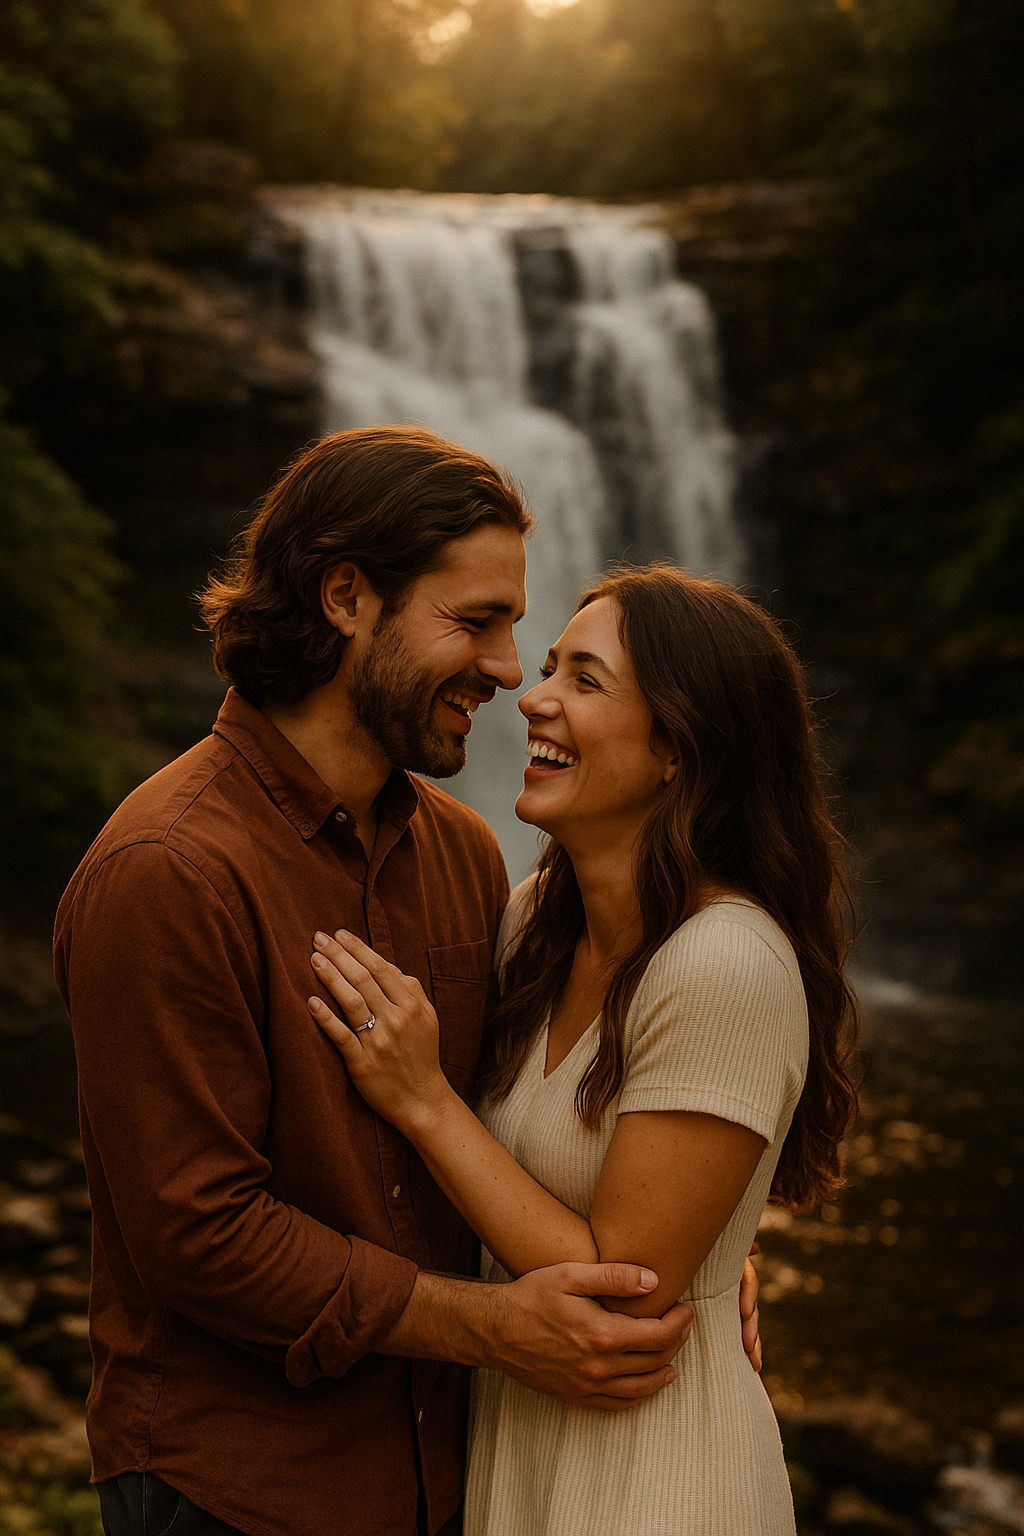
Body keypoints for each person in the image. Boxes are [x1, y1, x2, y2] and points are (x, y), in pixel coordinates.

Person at [54, 429, 760, 1536]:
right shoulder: (170, 869)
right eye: (475, 622)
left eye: (515, 629)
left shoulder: (466, 856)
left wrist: (704, 1239)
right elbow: (199, 1236)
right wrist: (490, 1328)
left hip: (452, 1474)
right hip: (240, 1489)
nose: (503, 670)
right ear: (345, 597)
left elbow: (513, 1110)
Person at [306, 564, 859, 1536]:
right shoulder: (531, 923)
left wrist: (424, 1101)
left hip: (654, 1475)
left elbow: (623, 1295)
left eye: (584, 680)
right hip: (521, 1447)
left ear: (679, 747)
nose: (534, 694)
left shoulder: (725, 962)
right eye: (551, 665)